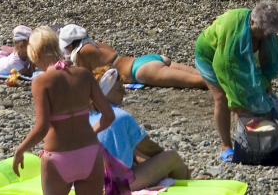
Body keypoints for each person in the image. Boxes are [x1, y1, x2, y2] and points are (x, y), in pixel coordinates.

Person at [13, 26, 114, 195]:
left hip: (58, 157)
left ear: (36, 55)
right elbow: (109, 116)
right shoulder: (84, 74)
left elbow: (42, 127)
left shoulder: (41, 82)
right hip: (89, 152)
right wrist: (92, 132)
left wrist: (20, 150)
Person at [193, 1, 278, 162]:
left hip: (232, 59)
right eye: (262, 32)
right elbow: (223, 66)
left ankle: (245, 144)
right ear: (252, 22)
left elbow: (268, 59)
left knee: (246, 99)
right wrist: (234, 97)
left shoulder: (266, 29)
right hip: (210, 56)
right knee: (223, 98)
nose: (265, 35)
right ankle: (226, 146)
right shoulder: (233, 28)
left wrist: (267, 82)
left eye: (269, 33)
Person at [90, 66, 191, 187]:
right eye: (119, 89)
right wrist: (164, 165)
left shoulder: (86, 116)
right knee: (172, 157)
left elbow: (134, 151)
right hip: (116, 184)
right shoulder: (120, 116)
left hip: (88, 184)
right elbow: (150, 148)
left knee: (133, 149)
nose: (125, 93)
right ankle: (188, 181)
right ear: (105, 93)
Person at [58, 24, 206, 90]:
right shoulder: (95, 44)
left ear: (70, 44)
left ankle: (227, 89)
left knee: (198, 81)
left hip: (139, 72)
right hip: (145, 60)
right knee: (202, 75)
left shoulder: (82, 52)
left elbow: (84, 77)